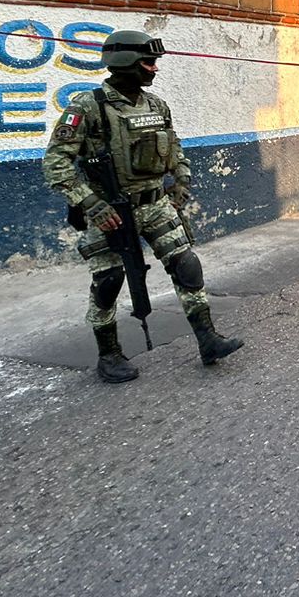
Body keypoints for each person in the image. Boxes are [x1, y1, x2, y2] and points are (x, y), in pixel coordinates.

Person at [43, 29, 243, 383]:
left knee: (187, 267)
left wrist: (181, 182)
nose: (154, 69)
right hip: (110, 211)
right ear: (125, 63)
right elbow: (56, 163)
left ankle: (208, 339)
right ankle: (109, 355)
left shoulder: (156, 106)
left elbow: (175, 146)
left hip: (156, 204)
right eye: (148, 62)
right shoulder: (87, 107)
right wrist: (90, 203)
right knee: (109, 281)